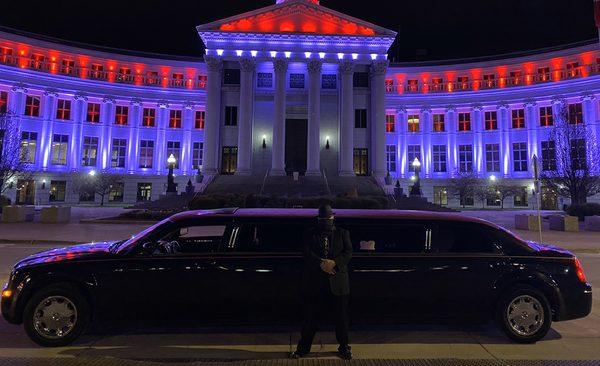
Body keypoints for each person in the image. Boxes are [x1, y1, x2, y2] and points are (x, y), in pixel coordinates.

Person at [291, 205, 353, 360]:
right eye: (324, 219)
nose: (326, 221)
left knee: (341, 319)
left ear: (333, 218)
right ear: (318, 220)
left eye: (329, 218)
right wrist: (321, 263)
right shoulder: (309, 234)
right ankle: (303, 348)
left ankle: (344, 347)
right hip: (315, 283)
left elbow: (348, 252)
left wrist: (334, 263)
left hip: (337, 283)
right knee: (310, 318)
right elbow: (305, 251)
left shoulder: (343, 233)